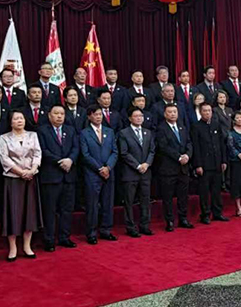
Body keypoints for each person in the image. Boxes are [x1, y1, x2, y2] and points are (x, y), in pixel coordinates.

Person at [0, 110, 42, 260]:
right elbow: (4, 158)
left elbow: (37, 154)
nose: (19, 121)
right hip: (13, 179)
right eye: (16, 118)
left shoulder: (33, 135)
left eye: (21, 118)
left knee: (29, 212)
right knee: (13, 213)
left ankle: (27, 246)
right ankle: (13, 248)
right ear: (10, 122)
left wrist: (32, 170)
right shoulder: (4, 138)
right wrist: (21, 172)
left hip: (31, 177)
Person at [37, 105, 79, 252]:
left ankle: (64, 237)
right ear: (49, 115)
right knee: (50, 210)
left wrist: (70, 160)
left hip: (69, 176)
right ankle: (49, 240)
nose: (59, 116)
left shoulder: (70, 130)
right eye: (56, 113)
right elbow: (43, 150)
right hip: (51, 176)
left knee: (67, 209)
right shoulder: (42, 130)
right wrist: (60, 161)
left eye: (62, 113)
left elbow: (76, 148)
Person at [80, 105, 118, 244]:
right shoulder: (84, 133)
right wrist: (100, 169)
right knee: (92, 204)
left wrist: (108, 167)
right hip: (92, 173)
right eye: (95, 114)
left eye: (100, 114)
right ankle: (91, 233)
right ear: (89, 116)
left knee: (108, 203)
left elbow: (115, 151)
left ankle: (106, 230)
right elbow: (85, 154)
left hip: (109, 172)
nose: (98, 117)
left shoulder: (110, 131)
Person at [155, 104, 193, 232]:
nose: (172, 114)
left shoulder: (182, 127)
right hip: (169, 168)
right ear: (165, 114)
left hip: (183, 168)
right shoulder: (161, 128)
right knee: (168, 197)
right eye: (170, 112)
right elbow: (163, 147)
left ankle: (183, 218)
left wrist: (187, 155)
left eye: (174, 112)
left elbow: (189, 143)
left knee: (183, 196)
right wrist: (178, 157)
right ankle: (170, 220)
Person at [119, 106, 155, 238]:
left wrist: (147, 164)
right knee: (129, 201)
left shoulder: (148, 132)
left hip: (145, 172)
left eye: (141, 116)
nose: (139, 118)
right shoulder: (124, 133)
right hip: (131, 172)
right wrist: (138, 165)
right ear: (130, 118)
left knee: (145, 200)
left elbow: (152, 151)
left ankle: (145, 225)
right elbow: (124, 152)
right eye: (136, 116)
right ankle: (130, 227)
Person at [191, 103, 229, 224]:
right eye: (205, 111)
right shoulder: (196, 126)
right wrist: (198, 165)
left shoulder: (216, 124)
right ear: (200, 112)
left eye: (209, 111)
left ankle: (217, 213)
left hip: (217, 163)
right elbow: (196, 147)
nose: (207, 113)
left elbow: (221, 144)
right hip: (204, 165)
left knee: (216, 191)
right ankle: (205, 214)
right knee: (204, 192)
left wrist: (224, 160)